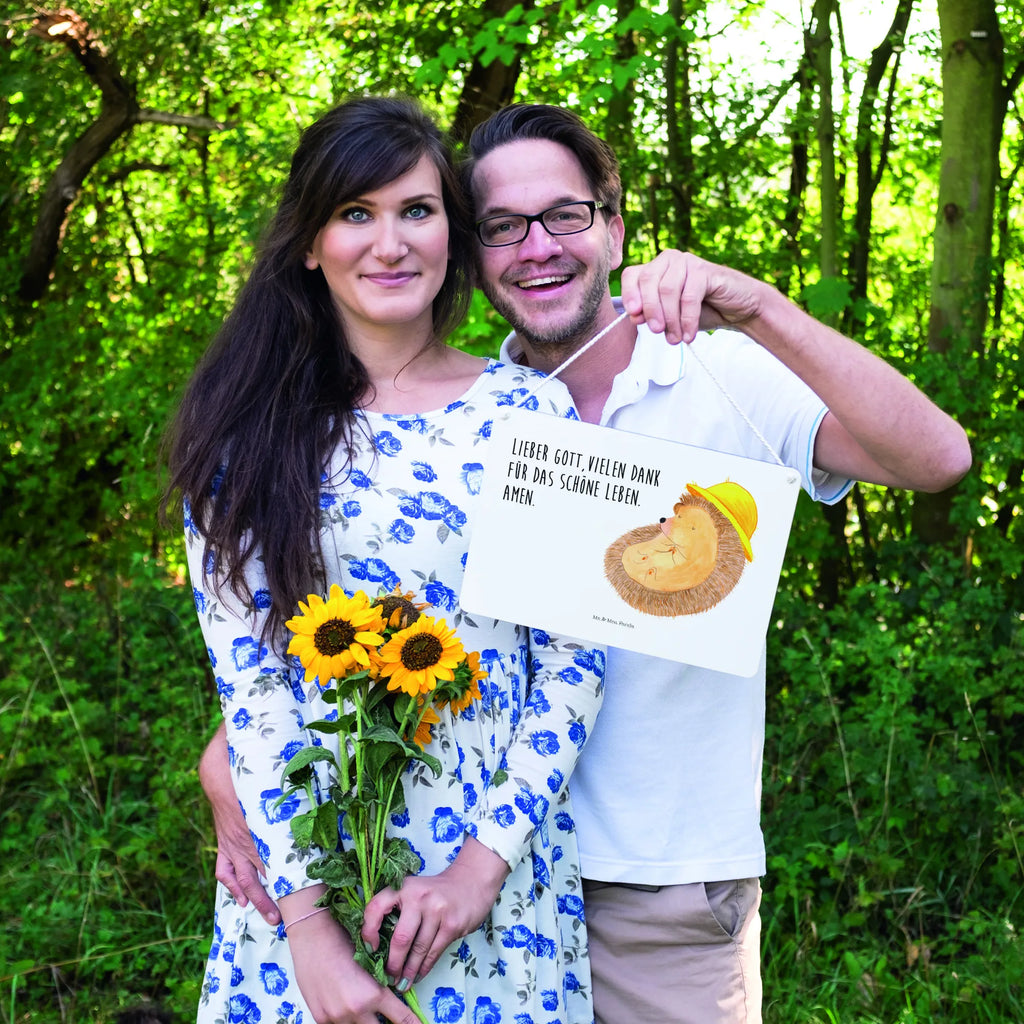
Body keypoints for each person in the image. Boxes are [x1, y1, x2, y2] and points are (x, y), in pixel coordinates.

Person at [202, 102, 972, 1023]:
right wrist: (236, 769)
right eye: (502, 227)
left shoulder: (711, 373)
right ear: (474, 251)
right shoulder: (459, 417)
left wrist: (759, 306)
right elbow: (337, 629)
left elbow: (938, 461)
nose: (537, 247)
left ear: (612, 226)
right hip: (419, 875)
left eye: (565, 215)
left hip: (652, 887)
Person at [165, 96, 607, 1024]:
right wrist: (311, 936)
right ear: (308, 244)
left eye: (417, 210)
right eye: (355, 214)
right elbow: (252, 690)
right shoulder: (245, 437)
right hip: (303, 888)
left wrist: (478, 873)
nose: (390, 242)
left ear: (452, 229)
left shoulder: (533, 415)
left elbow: (575, 661)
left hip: (492, 889)